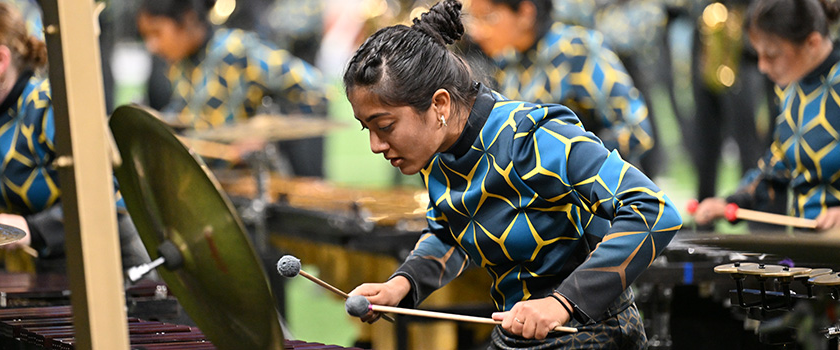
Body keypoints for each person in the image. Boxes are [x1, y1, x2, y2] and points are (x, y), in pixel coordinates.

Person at [342, 0, 683, 348]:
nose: (375, 145)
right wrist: (402, 284)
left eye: (384, 126)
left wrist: (561, 303)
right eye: (365, 128)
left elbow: (653, 210)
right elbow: (452, 230)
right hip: (516, 335)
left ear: (440, 105)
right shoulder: (439, 153)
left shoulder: (533, 137)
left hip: (592, 334)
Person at [0, 0, 151, 274]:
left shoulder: (49, 105)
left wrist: (33, 228)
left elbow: (106, 194)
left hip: (113, 270)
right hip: (50, 271)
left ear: (0, 60)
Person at [691, 0, 840, 231]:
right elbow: (777, 167)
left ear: (812, 43)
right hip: (811, 247)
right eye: (758, 55)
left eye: (771, 55)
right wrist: (731, 202)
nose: (761, 66)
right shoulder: (792, 89)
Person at [136, 0, 329, 177]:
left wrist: (265, 134)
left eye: (157, 33)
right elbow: (191, 115)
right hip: (208, 180)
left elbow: (315, 87)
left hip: (247, 181)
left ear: (188, 19)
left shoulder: (235, 51)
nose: (152, 46)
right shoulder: (179, 65)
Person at [464, 0, 657, 171]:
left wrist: (571, 159)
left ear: (525, 13)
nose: (476, 31)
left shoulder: (576, 50)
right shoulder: (506, 63)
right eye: (474, 18)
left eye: (488, 17)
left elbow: (637, 129)